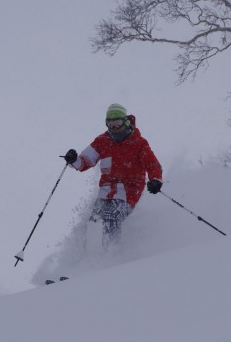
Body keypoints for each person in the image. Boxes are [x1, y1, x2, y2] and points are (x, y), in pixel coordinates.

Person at [64, 103, 163, 245]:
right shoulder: (102, 141)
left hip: (129, 191)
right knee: (93, 222)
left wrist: (156, 180)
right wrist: (73, 160)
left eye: (118, 123)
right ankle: (86, 257)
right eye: (110, 125)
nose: (115, 128)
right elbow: (84, 162)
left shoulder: (138, 143)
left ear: (126, 122)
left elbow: (153, 165)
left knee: (111, 216)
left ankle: (113, 255)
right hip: (105, 192)